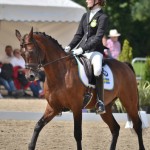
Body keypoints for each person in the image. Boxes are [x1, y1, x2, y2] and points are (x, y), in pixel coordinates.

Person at [64, 0, 108, 114]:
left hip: (95, 51)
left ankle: (100, 101)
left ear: (97, 1)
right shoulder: (85, 15)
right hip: (81, 50)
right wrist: (69, 46)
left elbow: (98, 38)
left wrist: (82, 49)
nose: (86, 0)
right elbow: (79, 34)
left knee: (97, 70)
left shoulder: (102, 17)